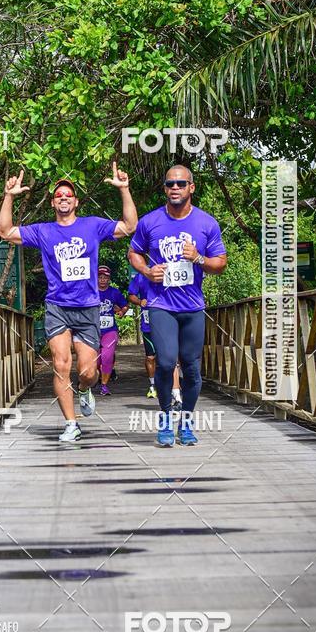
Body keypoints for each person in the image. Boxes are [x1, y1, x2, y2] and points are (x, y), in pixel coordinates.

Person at [0, 164, 137, 442]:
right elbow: (5, 232)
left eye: (68, 195)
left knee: (87, 372)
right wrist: (9, 196)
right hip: (57, 307)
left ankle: (84, 390)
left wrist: (124, 189)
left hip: (87, 308)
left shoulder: (92, 226)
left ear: (75, 202)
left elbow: (130, 226)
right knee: (61, 365)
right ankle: (71, 424)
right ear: (53, 202)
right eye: (58, 195)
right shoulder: (44, 231)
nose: (63, 198)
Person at [128, 165, 227, 447]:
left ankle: (186, 421)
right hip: (161, 304)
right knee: (167, 361)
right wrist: (147, 271)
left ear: (191, 188)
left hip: (193, 306)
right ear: (165, 188)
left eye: (181, 183)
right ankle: (164, 417)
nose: (175, 188)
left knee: (193, 369)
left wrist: (199, 259)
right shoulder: (150, 222)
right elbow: (133, 252)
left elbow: (220, 263)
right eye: (170, 183)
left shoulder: (207, 223)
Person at [127, 271, 182, 405]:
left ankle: (176, 393)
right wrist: (140, 301)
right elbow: (131, 295)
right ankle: (152, 385)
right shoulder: (140, 277)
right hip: (148, 325)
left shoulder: (169, 271)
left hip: (166, 322)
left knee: (170, 358)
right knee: (150, 357)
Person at [97, 266, 128, 395]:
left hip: (110, 330)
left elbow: (125, 305)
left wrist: (122, 311)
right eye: (100, 277)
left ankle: (104, 386)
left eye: (105, 277)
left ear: (109, 279)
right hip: (92, 330)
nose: (103, 280)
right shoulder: (91, 292)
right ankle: (93, 379)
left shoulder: (114, 292)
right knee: (95, 361)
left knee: (107, 356)